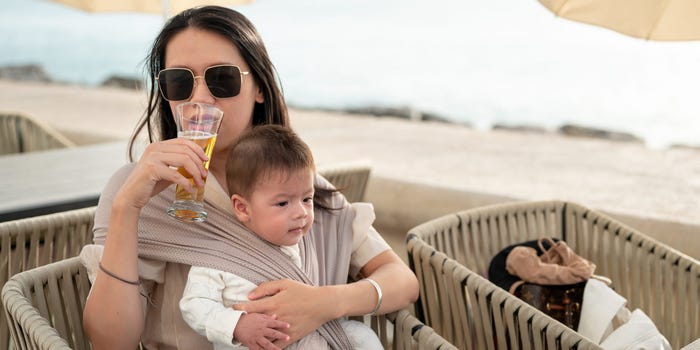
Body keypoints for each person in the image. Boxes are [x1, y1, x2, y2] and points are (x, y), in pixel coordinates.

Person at [79, 5, 419, 350]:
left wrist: (325, 303)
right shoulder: (135, 191)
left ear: (259, 87)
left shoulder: (297, 188)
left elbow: (402, 281)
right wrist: (127, 209)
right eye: (179, 82)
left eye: (221, 79)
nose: (199, 98)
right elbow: (111, 341)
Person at [179, 124, 383, 349]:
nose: (301, 213)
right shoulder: (219, 256)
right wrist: (237, 325)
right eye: (283, 203)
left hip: (315, 338)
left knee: (362, 336)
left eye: (307, 199)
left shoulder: (313, 244)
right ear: (243, 208)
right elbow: (194, 303)